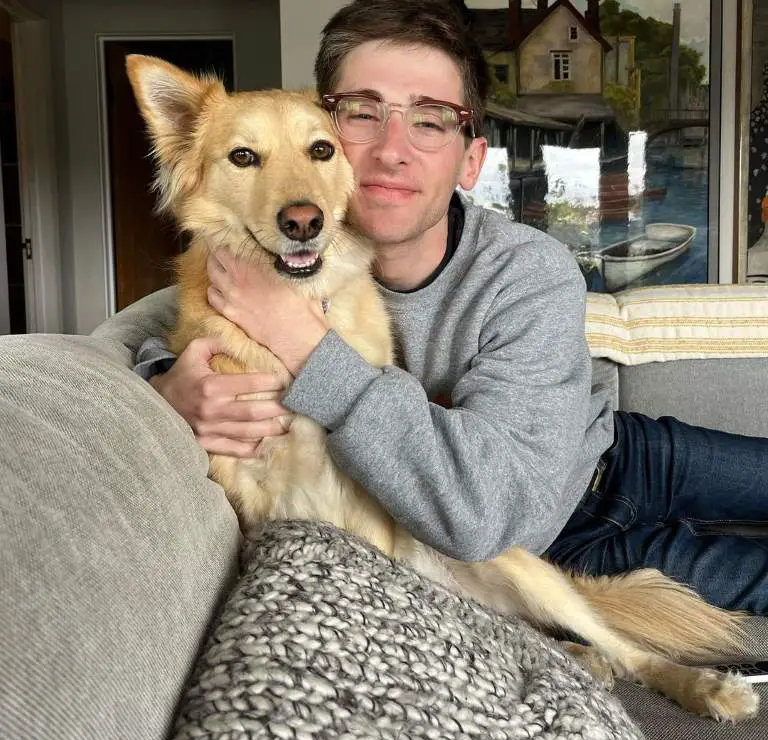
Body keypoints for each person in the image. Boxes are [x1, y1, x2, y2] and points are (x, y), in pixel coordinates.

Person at [135, 0, 768, 614]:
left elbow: (489, 498)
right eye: (362, 114)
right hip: (557, 544)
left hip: (623, 456)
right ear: (326, 122)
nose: (391, 148)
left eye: (431, 120)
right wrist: (162, 383)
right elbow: (159, 323)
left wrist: (307, 347)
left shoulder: (527, 271)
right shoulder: (272, 261)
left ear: (471, 160)